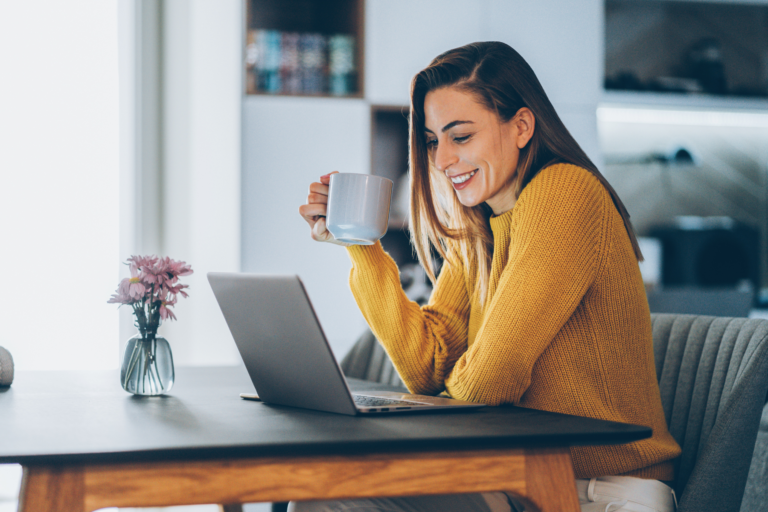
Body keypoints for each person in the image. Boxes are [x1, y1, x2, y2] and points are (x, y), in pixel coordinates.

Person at [297, 41, 681, 512]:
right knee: (323, 496)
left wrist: (450, 391)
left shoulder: (564, 192)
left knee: (330, 501)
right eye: (434, 141)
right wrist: (361, 246)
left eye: (461, 137)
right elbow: (426, 369)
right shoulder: (477, 227)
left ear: (521, 126)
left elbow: (489, 382)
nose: (440, 161)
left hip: (601, 491)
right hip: (517, 476)